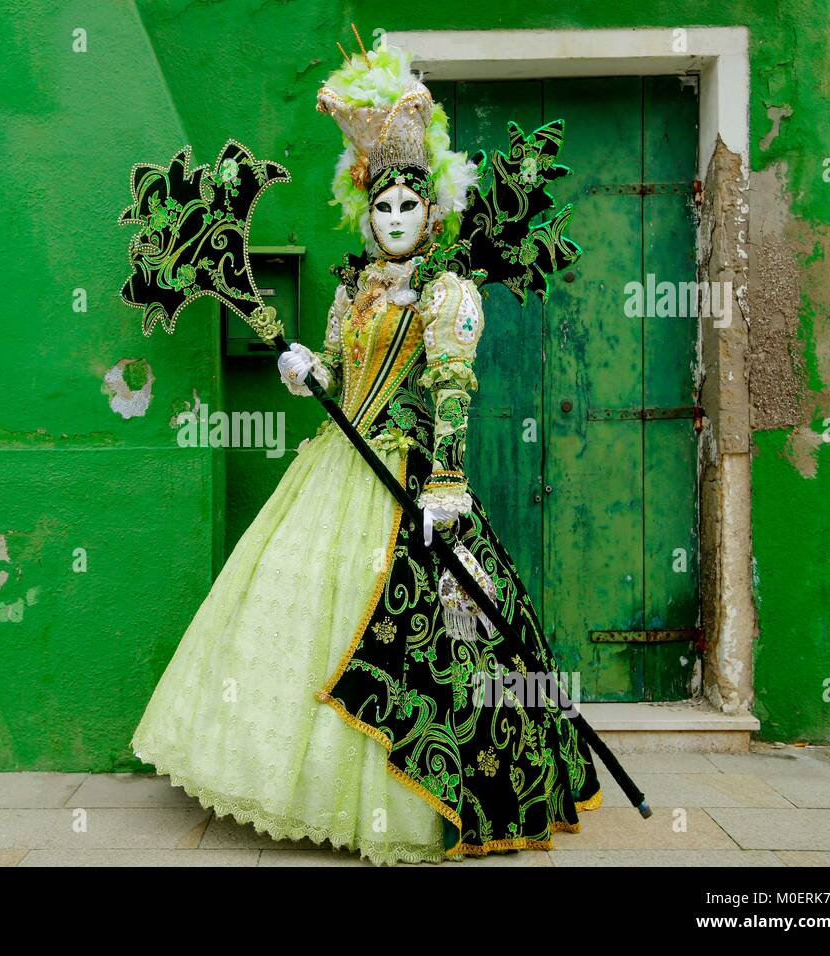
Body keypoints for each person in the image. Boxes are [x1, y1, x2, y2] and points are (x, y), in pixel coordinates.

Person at [131, 39, 601, 864]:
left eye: (408, 209)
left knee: (427, 637)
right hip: (334, 461)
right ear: (364, 209)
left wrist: (447, 485)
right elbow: (341, 373)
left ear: (432, 213)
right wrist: (304, 365)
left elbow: (454, 392)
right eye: (381, 207)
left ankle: (420, 800)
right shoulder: (354, 287)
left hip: (409, 477)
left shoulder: (451, 293)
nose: (393, 221)